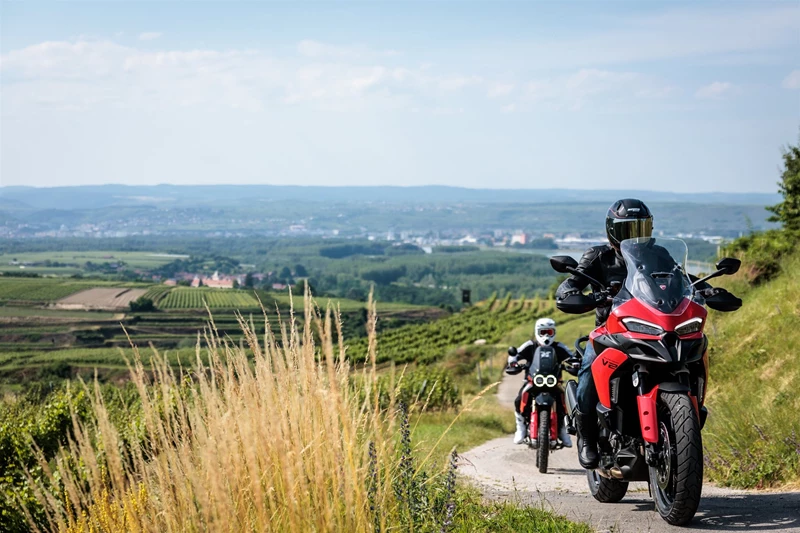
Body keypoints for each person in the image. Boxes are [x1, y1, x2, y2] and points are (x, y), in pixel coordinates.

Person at [555, 198, 724, 469]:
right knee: (588, 367)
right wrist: (570, 292)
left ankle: (678, 427)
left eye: (640, 228)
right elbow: (573, 281)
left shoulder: (659, 254)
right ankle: (586, 436)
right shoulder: (598, 256)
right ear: (612, 231)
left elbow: (682, 277)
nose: (634, 236)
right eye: (626, 230)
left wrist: (705, 289)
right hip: (610, 328)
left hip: (651, 326)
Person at [506, 317, 575, 447]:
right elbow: (516, 354)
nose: (546, 336)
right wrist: (513, 362)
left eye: (549, 332)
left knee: (565, 401)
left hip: (554, 382)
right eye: (543, 332)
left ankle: (563, 430)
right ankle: (520, 428)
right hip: (533, 381)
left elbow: (571, 357)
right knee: (518, 400)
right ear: (537, 332)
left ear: (554, 332)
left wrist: (575, 363)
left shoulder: (559, 347)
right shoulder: (530, 345)